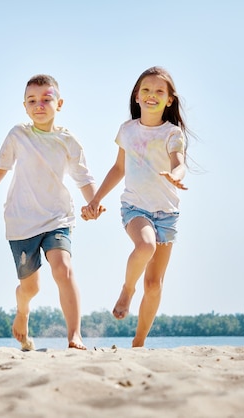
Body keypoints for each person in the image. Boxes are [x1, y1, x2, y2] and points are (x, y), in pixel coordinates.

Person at [0, 74, 101, 351]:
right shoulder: (18, 135)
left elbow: (84, 178)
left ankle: (75, 335)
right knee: (30, 287)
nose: (39, 105)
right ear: (24, 106)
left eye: (46, 99)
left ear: (59, 103)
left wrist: (93, 203)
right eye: (32, 100)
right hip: (21, 222)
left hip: (57, 218)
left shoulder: (68, 140)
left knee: (63, 268)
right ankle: (22, 311)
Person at [82, 66, 190, 348]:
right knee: (145, 246)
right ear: (137, 96)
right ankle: (127, 290)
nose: (151, 95)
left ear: (169, 100)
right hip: (135, 207)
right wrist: (96, 199)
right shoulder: (127, 131)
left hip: (167, 214)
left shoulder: (172, 133)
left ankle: (139, 342)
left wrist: (175, 177)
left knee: (154, 285)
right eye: (146, 90)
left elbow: (179, 163)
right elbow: (119, 168)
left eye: (159, 91)